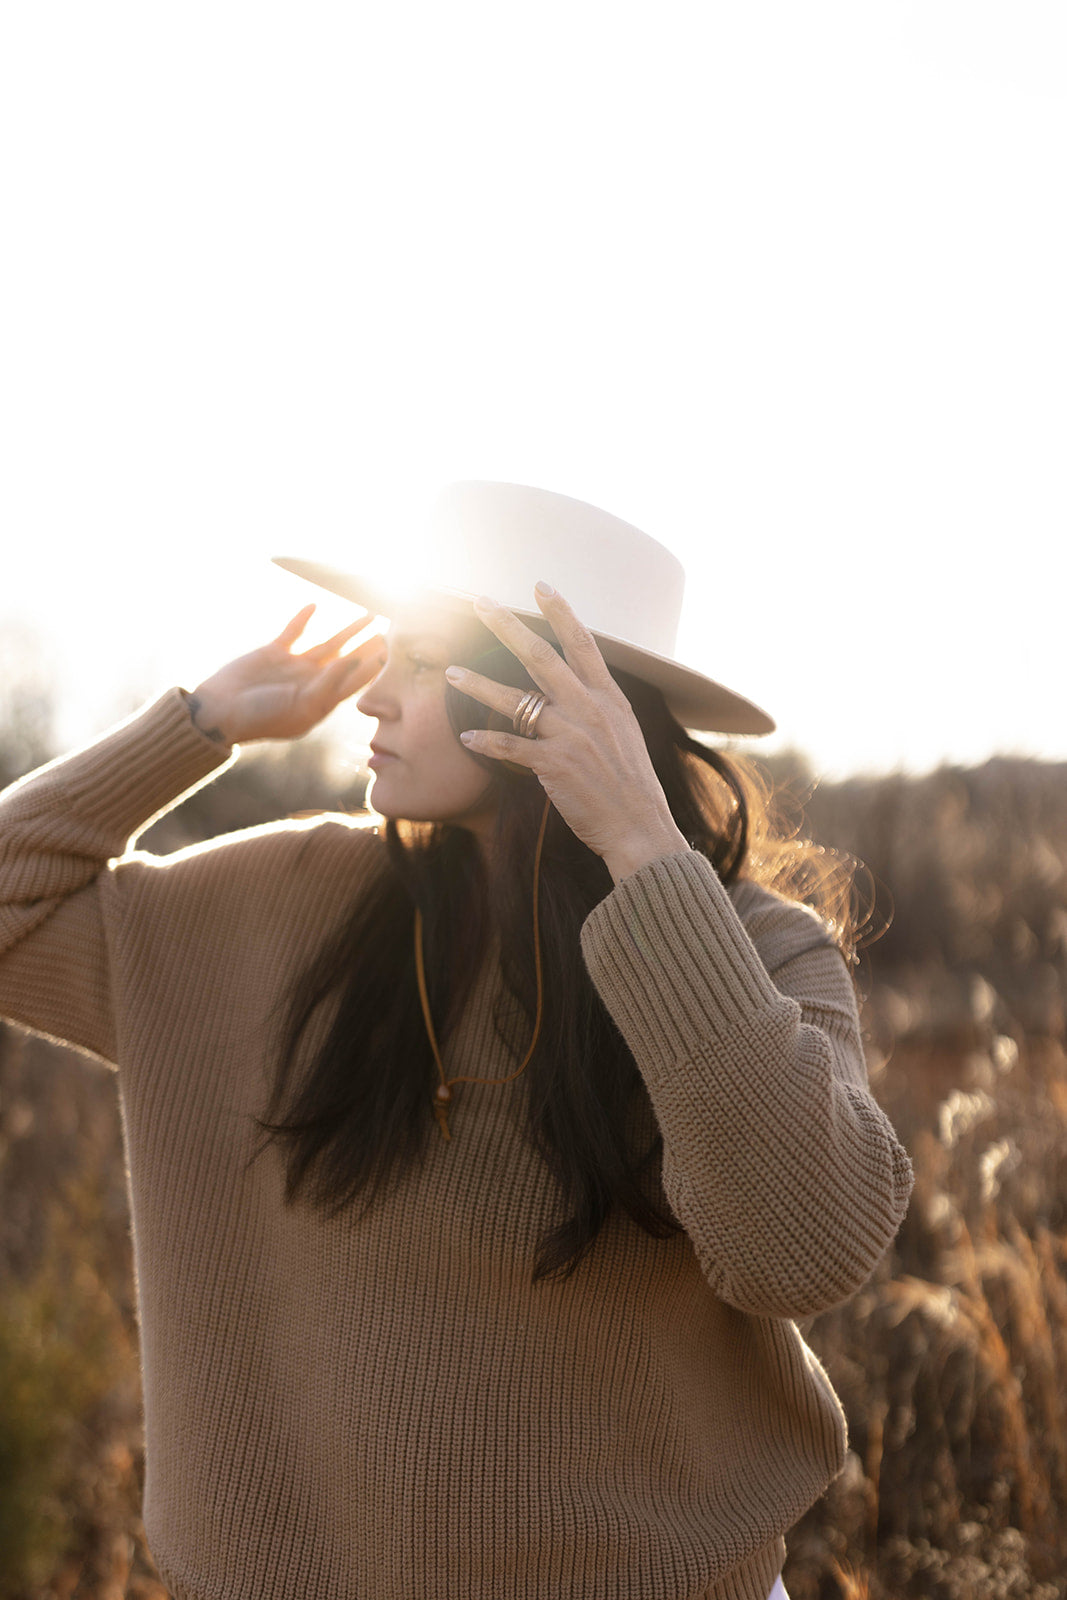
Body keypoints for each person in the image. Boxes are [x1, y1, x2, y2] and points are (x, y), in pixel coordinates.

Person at [0, 481, 913, 1600]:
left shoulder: (756, 951)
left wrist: (641, 845)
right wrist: (196, 726)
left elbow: (804, 1250)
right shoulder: (296, 897)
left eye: (425, 661)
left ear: (565, 698)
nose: (375, 694)